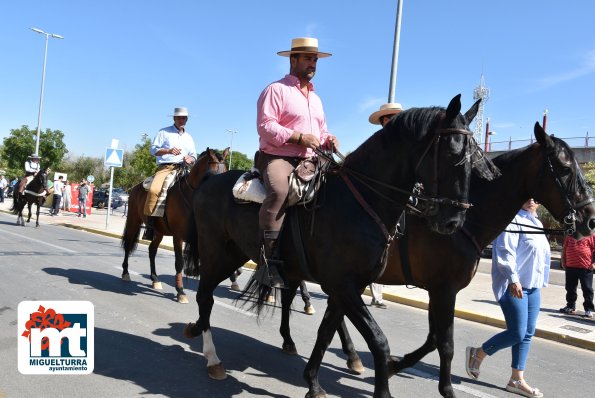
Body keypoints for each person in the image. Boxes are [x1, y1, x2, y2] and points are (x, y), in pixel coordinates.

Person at [255, 37, 339, 288]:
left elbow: (321, 132)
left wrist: (328, 140)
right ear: (293, 60)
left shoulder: (317, 99)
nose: (312, 63)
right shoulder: (276, 90)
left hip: (311, 159)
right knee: (280, 191)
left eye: (315, 59)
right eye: (307, 58)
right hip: (278, 156)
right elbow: (266, 126)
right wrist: (300, 138)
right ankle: (267, 263)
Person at [465, 198, 550, 398]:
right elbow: (505, 251)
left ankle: (516, 380)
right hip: (513, 285)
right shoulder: (512, 220)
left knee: (528, 333)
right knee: (518, 333)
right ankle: (478, 354)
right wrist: (513, 278)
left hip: (532, 286)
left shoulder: (537, 222)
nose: (531, 201)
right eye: (527, 197)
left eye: (535, 199)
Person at [367, 102, 404, 308]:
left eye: (397, 116)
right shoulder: (377, 143)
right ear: (383, 121)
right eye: (390, 117)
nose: (393, 121)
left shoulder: (407, 142)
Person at [143, 107, 197, 240]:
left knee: (197, 190)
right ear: (174, 118)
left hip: (183, 168)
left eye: (184, 118)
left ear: (187, 119)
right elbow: (152, 149)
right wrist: (168, 151)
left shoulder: (189, 137)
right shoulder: (164, 132)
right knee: (154, 190)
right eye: (179, 117)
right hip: (166, 167)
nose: (181, 120)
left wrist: (190, 159)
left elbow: (194, 155)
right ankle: (150, 225)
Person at [559, 234, 595, 319]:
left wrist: (594, 263)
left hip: (586, 267)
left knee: (587, 289)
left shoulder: (590, 235)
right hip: (570, 267)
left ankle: (589, 309)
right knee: (570, 288)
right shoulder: (569, 235)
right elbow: (565, 249)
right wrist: (563, 261)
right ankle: (570, 306)